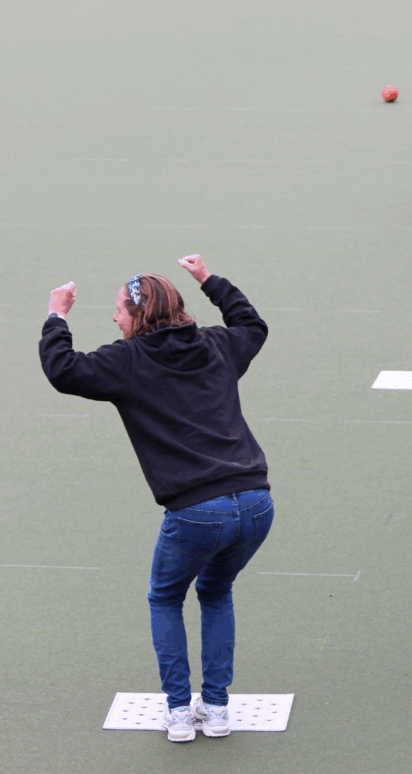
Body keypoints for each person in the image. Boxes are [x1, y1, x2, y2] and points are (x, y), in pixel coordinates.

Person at [39, 256, 273, 743]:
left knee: (166, 597)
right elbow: (252, 323)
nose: (114, 318)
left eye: (120, 310)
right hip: (255, 504)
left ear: (140, 316)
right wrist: (210, 280)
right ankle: (218, 708)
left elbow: (63, 369)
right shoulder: (217, 345)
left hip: (196, 512)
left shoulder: (126, 362)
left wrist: (57, 315)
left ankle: (179, 713)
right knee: (215, 592)